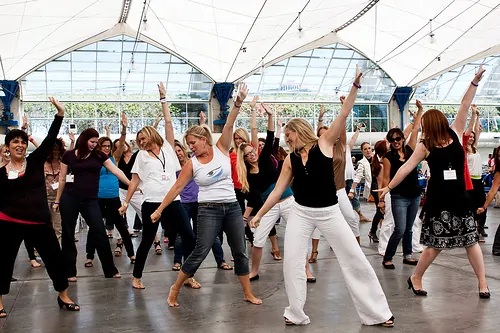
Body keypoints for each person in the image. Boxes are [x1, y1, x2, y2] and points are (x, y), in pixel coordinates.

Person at [252, 66, 394, 327]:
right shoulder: (291, 160)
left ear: (298, 131)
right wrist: (260, 215)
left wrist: (355, 86)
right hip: (301, 212)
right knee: (293, 262)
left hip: (330, 212)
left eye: (288, 135)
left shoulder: (324, 143)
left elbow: (343, 113)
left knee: (354, 258)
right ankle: (295, 312)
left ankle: (378, 313)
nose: (286, 139)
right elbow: (276, 192)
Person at [378, 65, 489, 299]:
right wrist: (389, 187)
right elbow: (407, 167)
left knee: (471, 241)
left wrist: (475, 81)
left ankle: (482, 283)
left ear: (434, 124)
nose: (426, 129)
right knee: (435, 246)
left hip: (460, 198)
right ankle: (416, 277)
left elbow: (464, 105)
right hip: (439, 201)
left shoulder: (456, 133)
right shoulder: (424, 145)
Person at [152, 83, 262, 307]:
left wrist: (238, 102)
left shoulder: (222, 147)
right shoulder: (191, 164)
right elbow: (176, 189)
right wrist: (159, 209)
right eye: (188, 144)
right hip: (208, 209)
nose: (190, 147)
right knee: (201, 250)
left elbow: (230, 123)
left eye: (192, 143)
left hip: (231, 207)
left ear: (204, 139)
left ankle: (247, 293)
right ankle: (175, 287)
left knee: (240, 251)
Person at [0, 97, 79, 318]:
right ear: (8, 147)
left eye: (22, 142)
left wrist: (60, 114)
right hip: (9, 221)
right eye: (14, 142)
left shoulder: (34, 162)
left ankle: (63, 295)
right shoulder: (1, 174)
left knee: (55, 258)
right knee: (3, 262)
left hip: (39, 221)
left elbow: (51, 138)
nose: (19, 144)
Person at [118, 83, 196, 290]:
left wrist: (163, 99)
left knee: (189, 237)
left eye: (143, 138)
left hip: (172, 200)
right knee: (147, 240)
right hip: (151, 202)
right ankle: (136, 276)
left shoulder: (169, 149)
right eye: (138, 140)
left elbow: (169, 123)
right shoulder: (141, 156)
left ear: (151, 134)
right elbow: (135, 179)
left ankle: (187, 275)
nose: (141, 142)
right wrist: (126, 202)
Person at [54, 126, 131, 281]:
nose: (94, 144)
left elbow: (116, 171)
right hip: (70, 198)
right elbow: (62, 178)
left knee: (99, 232)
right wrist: (57, 200)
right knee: (68, 234)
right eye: (92, 141)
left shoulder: (100, 156)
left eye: (96, 142)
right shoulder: (68, 156)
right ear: (84, 140)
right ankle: (70, 271)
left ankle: (110, 269)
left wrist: (131, 184)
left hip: (90, 200)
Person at [237, 104, 295, 280]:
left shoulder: (264, 158)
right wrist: (249, 216)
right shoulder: (247, 175)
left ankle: (306, 270)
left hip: (287, 200)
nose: (252, 154)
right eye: (248, 154)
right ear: (244, 159)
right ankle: (254, 271)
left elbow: (270, 137)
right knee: (258, 239)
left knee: (297, 235)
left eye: (252, 151)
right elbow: (253, 198)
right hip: (268, 207)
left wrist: (270, 116)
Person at [170, 139, 232, 271]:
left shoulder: (194, 160)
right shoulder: (174, 168)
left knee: (211, 234)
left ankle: (220, 260)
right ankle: (177, 261)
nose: (178, 154)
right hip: (184, 204)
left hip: (200, 203)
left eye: (179, 151)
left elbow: (203, 144)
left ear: (183, 149)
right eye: (175, 153)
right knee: (182, 234)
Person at [380, 101, 423, 269]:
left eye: (398, 138)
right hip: (399, 196)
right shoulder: (388, 158)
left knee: (409, 228)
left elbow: (416, 128)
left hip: (414, 194)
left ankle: (408, 255)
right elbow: (386, 180)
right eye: (392, 140)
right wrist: (381, 200)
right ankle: (388, 257)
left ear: (403, 139)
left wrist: (419, 110)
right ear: (390, 142)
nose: (396, 141)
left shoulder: (411, 150)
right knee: (400, 228)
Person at [85, 130, 136, 267]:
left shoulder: (115, 158)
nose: (107, 148)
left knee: (122, 227)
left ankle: (131, 254)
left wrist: (124, 129)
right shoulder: (93, 159)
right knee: (94, 227)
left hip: (113, 198)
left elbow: (120, 144)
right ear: (99, 147)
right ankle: (89, 256)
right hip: (98, 199)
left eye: (108, 146)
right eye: (104, 146)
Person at [465, 105, 487, 241]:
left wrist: (478, 115)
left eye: (473, 137)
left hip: (479, 180)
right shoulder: (464, 151)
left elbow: (477, 131)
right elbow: (469, 131)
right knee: (472, 207)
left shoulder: (475, 148)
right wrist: (472, 115)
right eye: (470, 137)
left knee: (483, 206)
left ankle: (480, 228)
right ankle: (473, 231)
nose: (472, 138)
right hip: (470, 181)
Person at [479, 145, 500, 255]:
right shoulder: (499, 172)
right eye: (499, 156)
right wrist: (484, 206)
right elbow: (492, 191)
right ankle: (497, 248)